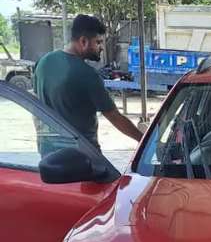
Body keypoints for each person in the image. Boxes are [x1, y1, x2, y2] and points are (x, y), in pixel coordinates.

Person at [34, 14, 143, 151]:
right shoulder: (87, 74)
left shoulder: (43, 62)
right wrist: (143, 140)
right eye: (98, 42)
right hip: (81, 154)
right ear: (83, 41)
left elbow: (36, 103)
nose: (101, 47)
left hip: (48, 150)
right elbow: (114, 117)